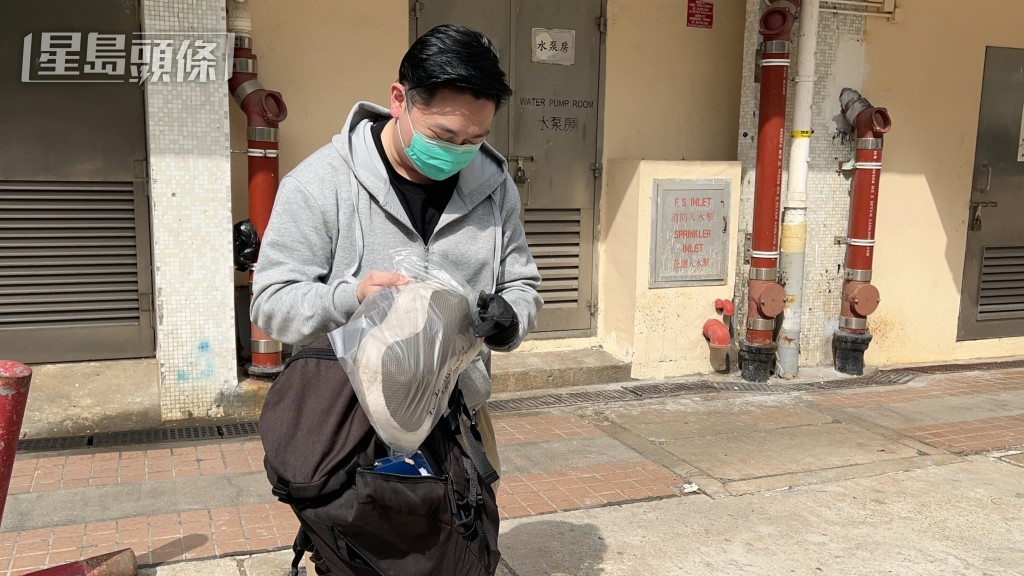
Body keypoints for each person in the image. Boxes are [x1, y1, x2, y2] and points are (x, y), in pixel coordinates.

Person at [250, 25, 542, 483]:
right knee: (361, 532)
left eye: (474, 140)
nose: (458, 153)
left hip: (459, 418)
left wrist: (511, 318)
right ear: (399, 100)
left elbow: (521, 285)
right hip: (348, 423)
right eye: (443, 136)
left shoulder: (495, 187)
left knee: (469, 528)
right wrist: (350, 298)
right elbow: (271, 303)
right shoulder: (320, 184)